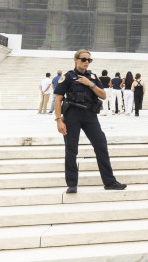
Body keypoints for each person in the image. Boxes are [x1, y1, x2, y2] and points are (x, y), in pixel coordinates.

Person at [53, 50, 126, 194]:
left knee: (101, 145)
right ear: (75, 60)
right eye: (83, 59)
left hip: (90, 115)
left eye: (89, 60)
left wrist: (89, 84)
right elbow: (58, 99)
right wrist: (58, 120)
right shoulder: (67, 77)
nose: (86, 62)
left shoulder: (92, 77)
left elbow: (104, 95)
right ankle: (72, 184)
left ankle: (109, 182)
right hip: (72, 115)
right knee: (71, 149)